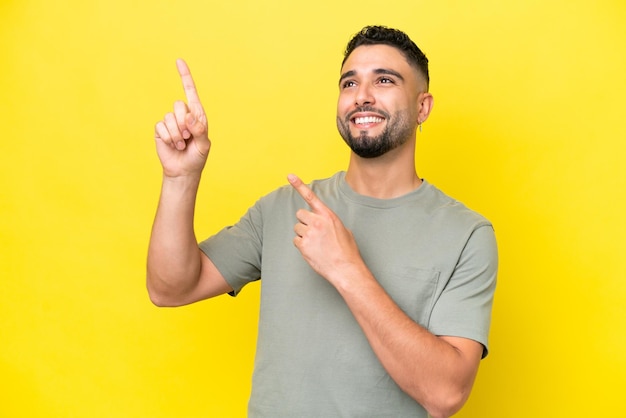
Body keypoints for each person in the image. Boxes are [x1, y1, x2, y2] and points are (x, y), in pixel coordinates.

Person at [147, 25, 498, 418]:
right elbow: (170, 288)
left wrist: (347, 270)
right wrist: (180, 178)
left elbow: (446, 395)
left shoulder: (467, 235)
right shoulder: (283, 208)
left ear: (423, 107)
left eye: (384, 80)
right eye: (349, 83)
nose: (362, 96)